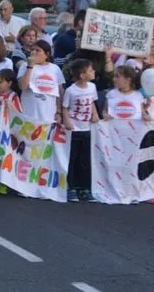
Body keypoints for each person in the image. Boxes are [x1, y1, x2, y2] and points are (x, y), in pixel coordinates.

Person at [61, 58, 99, 202]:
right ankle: (71, 188)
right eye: (90, 70)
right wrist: (67, 121)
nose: (93, 71)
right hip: (74, 129)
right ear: (82, 75)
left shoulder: (92, 87)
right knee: (72, 159)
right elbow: (65, 107)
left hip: (87, 128)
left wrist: (95, 113)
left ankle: (85, 188)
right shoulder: (71, 90)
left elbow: (92, 103)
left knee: (85, 160)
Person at [17, 40, 65, 125]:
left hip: (48, 116)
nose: (33, 52)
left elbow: (60, 92)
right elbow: (22, 86)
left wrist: (58, 112)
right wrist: (30, 66)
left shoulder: (55, 68)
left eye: (37, 50)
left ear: (47, 54)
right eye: (32, 50)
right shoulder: (24, 66)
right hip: (28, 115)